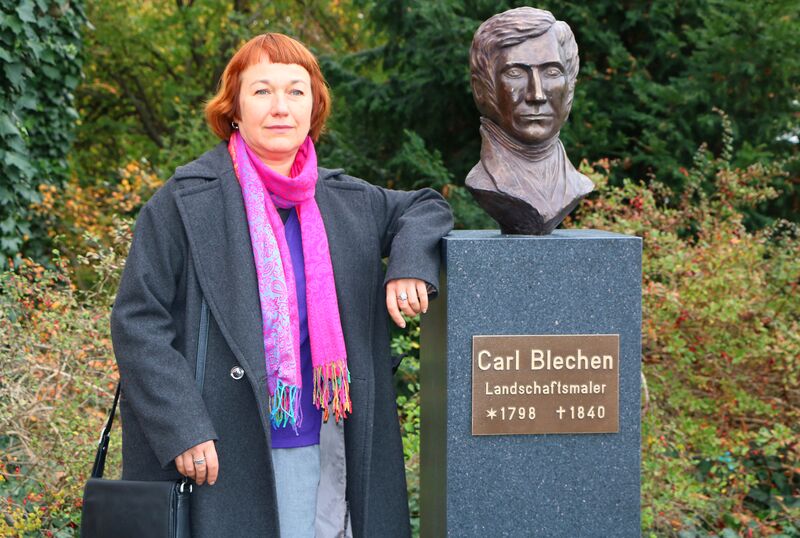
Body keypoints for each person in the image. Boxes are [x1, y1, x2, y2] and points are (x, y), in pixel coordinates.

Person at [110, 33, 453, 538]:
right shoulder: (183, 202)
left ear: (314, 107)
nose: (280, 107)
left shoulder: (346, 199)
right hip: (219, 453)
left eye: (295, 91)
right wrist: (181, 426)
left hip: (330, 443)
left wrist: (407, 264)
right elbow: (137, 321)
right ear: (234, 109)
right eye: (262, 91)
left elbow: (427, 207)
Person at [466, 7, 593, 235]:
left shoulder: (576, 184)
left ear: (570, 86)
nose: (537, 95)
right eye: (515, 73)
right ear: (481, 89)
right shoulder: (482, 182)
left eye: (552, 72)